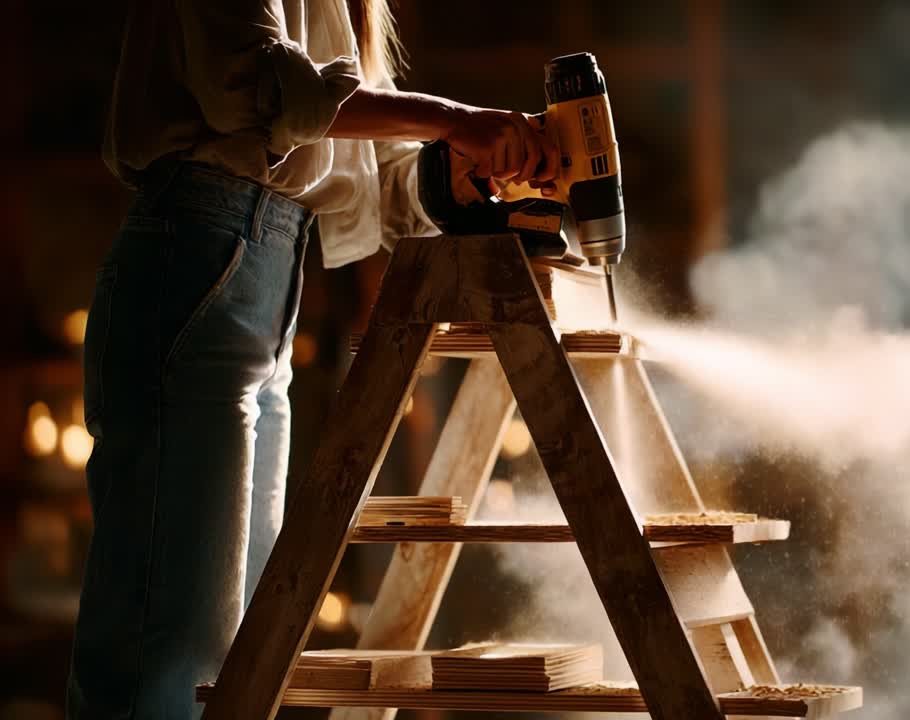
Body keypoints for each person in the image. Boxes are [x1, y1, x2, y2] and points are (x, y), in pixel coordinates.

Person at [66, 1, 557, 717]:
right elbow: (257, 87)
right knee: (163, 654)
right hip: (197, 256)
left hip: (265, 278)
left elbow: (376, 179)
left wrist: (466, 171)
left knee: (229, 660)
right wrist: (457, 119)